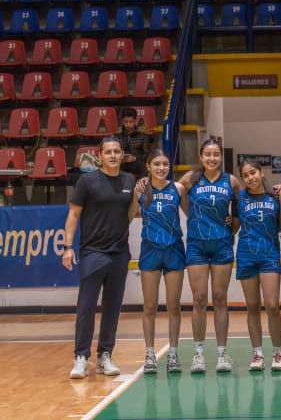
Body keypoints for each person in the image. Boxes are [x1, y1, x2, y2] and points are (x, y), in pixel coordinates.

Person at [63, 136, 136, 379]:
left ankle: (105, 355)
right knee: (86, 306)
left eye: (117, 151)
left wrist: (139, 196)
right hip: (92, 252)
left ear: (122, 155)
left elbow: (130, 214)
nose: (113, 155)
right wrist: (68, 247)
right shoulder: (87, 181)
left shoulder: (129, 181)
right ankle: (81, 357)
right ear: (100, 155)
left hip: (119, 253)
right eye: (108, 152)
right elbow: (73, 215)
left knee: (112, 308)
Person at [179, 138, 242, 373]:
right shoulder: (190, 178)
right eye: (208, 154)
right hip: (196, 244)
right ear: (201, 156)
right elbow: (174, 192)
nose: (212, 158)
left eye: (216, 154)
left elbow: (241, 205)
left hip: (222, 244)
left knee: (220, 298)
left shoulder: (231, 181)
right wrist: (191, 214)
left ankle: (222, 353)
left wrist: (234, 222)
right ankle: (198, 353)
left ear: (221, 157)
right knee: (199, 299)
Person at [128, 149, 188, 374]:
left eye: (165, 164)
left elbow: (193, 215)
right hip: (150, 250)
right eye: (156, 164)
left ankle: (173, 354)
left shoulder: (178, 189)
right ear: (148, 166)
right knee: (150, 306)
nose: (161, 168)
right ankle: (150, 355)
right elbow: (129, 216)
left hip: (174, 250)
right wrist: (135, 194)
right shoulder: (141, 189)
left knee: (174, 305)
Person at [234, 159, 281, 371]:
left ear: (261, 172)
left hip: (269, 255)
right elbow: (234, 226)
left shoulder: (274, 196)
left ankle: (278, 353)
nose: (250, 178)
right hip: (246, 255)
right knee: (252, 307)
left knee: (272, 306)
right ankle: (257, 354)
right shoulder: (238, 198)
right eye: (245, 175)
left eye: (253, 172)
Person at [117, 107, 152, 178]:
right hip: (121, 163)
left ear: (135, 121)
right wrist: (120, 158)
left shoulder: (143, 136)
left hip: (137, 163)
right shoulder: (117, 137)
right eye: (126, 122)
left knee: (144, 166)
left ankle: (142, 184)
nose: (128, 124)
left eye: (131, 122)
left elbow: (148, 155)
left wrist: (135, 158)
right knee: (113, 166)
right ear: (122, 121)